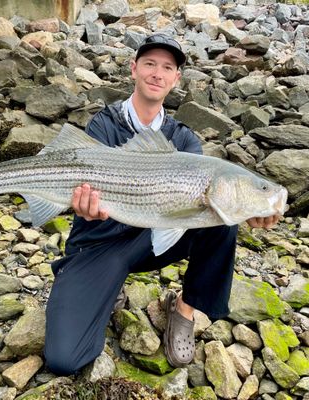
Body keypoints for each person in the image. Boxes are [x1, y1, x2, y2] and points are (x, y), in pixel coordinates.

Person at [44, 33, 280, 376]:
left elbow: (201, 213)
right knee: (64, 359)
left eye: (167, 67)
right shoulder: (103, 124)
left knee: (221, 221)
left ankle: (183, 310)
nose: (157, 73)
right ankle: (106, 288)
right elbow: (76, 186)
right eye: (150, 63)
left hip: (147, 240)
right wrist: (80, 205)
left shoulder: (184, 140)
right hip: (98, 244)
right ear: (134, 68)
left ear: (176, 78)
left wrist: (251, 209)